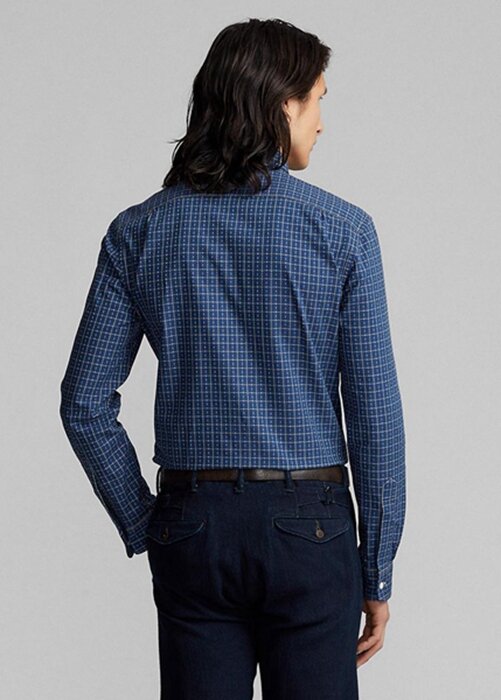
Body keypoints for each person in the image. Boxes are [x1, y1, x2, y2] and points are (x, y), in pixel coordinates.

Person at [59, 17, 406, 700]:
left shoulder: (139, 231)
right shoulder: (344, 231)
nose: (322, 122)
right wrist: (377, 571)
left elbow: (84, 403)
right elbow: (374, 418)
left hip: (193, 524)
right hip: (311, 528)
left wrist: (146, 520)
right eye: (318, 100)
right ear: (282, 103)